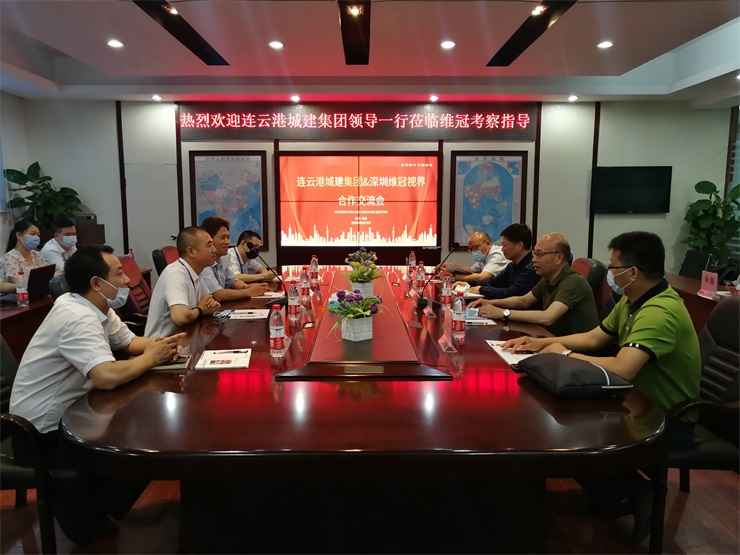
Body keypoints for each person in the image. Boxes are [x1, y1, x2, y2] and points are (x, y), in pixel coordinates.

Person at [503, 231, 701, 543]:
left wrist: (564, 354)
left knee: (570, 429)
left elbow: (624, 367)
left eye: (612, 267)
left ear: (632, 273)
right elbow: (595, 337)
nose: (609, 274)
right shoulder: (633, 301)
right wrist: (541, 343)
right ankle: (615, 496)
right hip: (634, 401)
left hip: (666, 418)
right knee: (562, 416)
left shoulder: (659, 311)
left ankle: (639, 492)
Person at [9, 245, 185, 544]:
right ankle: (82, 509)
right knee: (148, 439)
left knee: (151, 425)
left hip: (76, 411)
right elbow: (105, 377)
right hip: (40, 433)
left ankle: (95, 505)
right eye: (119, 274)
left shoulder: (96, 307)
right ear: (96, 283)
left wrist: (162, 346)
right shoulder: (76, 316)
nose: (128, 280)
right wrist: (150, 359)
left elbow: (129, 343)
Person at [469, 232, 598, 336]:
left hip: (577, 351)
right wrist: (491, 302)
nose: (534, 260)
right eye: (534, 254)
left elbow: (547, 317)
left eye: (540, 254)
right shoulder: (547, 279)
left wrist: (503, 313)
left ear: (559, 258)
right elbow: (523, 301)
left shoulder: (573, 282)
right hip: (554, 339)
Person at [145, 227, 221, 338]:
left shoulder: (196, 271)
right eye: (209, 245)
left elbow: (208, 301)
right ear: (191, 251)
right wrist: (200, 309)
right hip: (162, 343)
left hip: (186, 336)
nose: (214, 250)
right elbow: (180, 317)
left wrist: (211, 305)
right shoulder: (176, 274)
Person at [457, 223, 539, 300]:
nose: (502, 249)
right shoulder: (512, 266)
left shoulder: (531, 268)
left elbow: (511, 293)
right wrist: (469, 284)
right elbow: (493, 281)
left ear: (519, 245)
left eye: (505, 245)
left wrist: (481, 289)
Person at [200, 217, 269, 301]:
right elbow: (217, 294)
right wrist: (249, 291)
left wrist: (248, 286)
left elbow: (232, 281)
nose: (227, 242)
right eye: (223, 238)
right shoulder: (204, 263)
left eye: (228, 237)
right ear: (210, 240)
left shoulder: (222, 259)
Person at [437, 231, 508, 283]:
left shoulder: (497, 254)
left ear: (488, 244)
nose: (474, 251)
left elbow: (482, 277)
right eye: (471, 249)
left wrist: (452, 276)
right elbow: (471, 270)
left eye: (475, 247)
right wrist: (450, 265)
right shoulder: (486, 255)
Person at [0, 218, 47, 290]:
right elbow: (17, 283)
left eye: (38, 235)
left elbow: (45, 274)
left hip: (38, 291)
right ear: (19, 235)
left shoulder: (36, 254)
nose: (37, 238)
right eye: (33, 234)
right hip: (18, 295)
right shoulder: (10, 258)